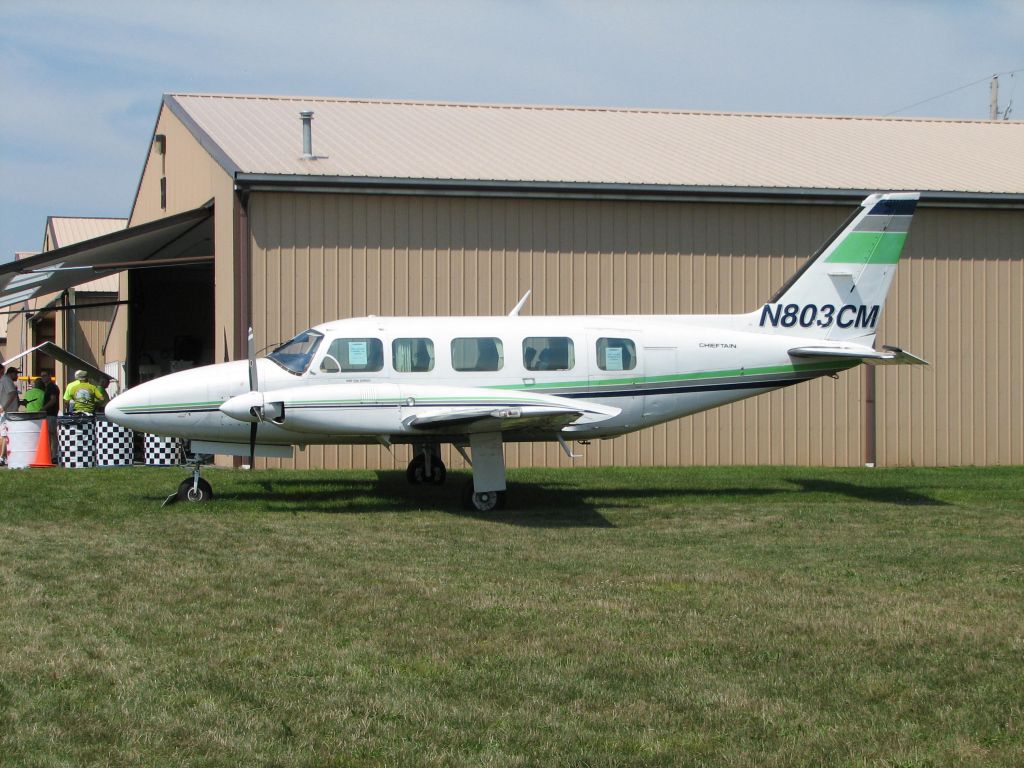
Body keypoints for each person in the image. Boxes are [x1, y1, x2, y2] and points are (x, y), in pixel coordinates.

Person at [0, 366, 25, 467]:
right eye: (16, 374)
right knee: (5, 435)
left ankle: (3, 457)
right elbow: (12, 394)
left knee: (3, 435)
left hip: (6, 411)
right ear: (10, 373)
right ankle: (3, 457)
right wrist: (4, 408)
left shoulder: (4, 380)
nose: (17, 376)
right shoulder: (6, 380)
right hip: (8, 412)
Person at [37, 370, 61, 461]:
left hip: (51, 414)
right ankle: (52, 454)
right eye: (42, 376)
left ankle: (54, 455)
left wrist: (43, 408)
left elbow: (53, 400)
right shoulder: (47, 387)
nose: (43, 378)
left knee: (52, 434)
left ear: (50, 376)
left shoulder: (52, 387)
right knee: (50, 435)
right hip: (48, 414)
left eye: (45, 375)